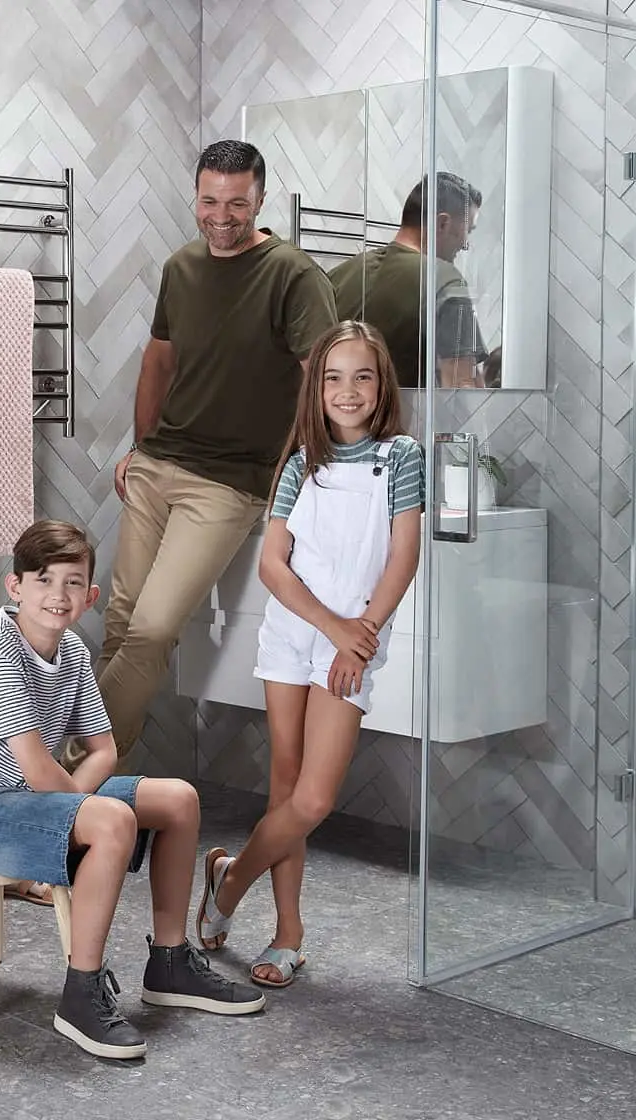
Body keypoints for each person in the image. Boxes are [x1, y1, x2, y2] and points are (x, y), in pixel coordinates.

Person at [0, 519, 265, 1061]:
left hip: (28, 799)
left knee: (178, 799)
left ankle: (170, 962)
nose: (58, 595)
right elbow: (39, 771)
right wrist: (89, 811)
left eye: (73, 582)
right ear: (15, 587)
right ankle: (80, 995)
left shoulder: (74, 652)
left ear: (91, 595)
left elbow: (103, 750)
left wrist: (79, 807)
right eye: (43, 580)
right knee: (111, 819)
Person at [88, 139, 338, 769]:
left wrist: (300, 474)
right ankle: (89, 795)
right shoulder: (181, 267)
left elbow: (322, 381)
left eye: (237, 203)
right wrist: (140, 447)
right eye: (209, 201)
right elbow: (159, 361)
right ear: (195, 195)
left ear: (260, 199)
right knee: (121, 625)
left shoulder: (293, 276)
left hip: (227, 485)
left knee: (152, 629)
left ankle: (60, 780)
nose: (221, 217)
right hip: (156, 468)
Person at [196, 321, 423, 988]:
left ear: (382, 385)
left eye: (362, 376)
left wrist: (360, 633)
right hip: (293, 633)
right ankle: (287, 935)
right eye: (333, 378)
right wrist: (331, 626)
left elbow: (403, 558)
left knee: (313, 798)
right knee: (286, 788)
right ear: (316, 389)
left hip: (355, 637)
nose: (348, 391)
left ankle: (228, 881)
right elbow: (273, 565)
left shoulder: (402, 457)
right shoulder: (301, 463)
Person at [329, 172, 493, 389]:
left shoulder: (339, 275)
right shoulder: (444, 280)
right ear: (442, 223)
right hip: (405, 412)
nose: (466, 245)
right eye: (467, 231)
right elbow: (461, 386)